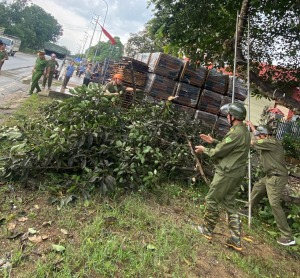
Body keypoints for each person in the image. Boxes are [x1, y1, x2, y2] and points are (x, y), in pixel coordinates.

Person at [193, 103, 250, 251]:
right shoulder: (244, 131)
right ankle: (235, 239)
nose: (227, 116)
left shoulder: (235, 133)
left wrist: (205, 149)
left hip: (227, 173)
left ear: (233, 117)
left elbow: (220, 152)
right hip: (237, 173)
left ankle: (207, 230)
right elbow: (229, 146)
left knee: (212, 199)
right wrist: (214, 142)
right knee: (230, 204)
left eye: (228, 115)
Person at [239, 122, 296, 246]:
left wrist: (248, 131)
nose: (259, 137)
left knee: (274, 203)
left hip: (277, 177)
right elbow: (257, 141)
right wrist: (254, 129)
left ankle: (287, 236)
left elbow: (253, 142)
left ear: (265, 135)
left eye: (260, 135)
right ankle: (248, 210)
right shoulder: (266, 142)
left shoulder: (271, 142)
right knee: (258, 188)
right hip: (270, 176)